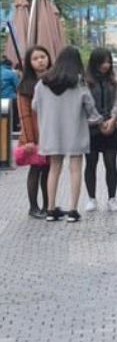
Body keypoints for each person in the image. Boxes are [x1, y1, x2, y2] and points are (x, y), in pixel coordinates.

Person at [34, 46, 105, 222]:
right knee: (75, 170)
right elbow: (90, 108)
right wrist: (99, 120)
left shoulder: (42, 83)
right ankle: (73, 211)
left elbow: (34, 106)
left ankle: (50, 210)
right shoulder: (79, 83)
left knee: (54, 169)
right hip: (74, 132)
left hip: (51, 133)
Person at [84, 48, 117, 212]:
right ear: (95, 62)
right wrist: (99, 122)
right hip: (91, 128)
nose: (106, 65)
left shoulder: (113, 82)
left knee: (111, 164)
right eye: (103, 62)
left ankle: (112, 198)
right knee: (90, 164)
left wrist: (114, 119)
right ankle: (91, 198)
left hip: (111, 127)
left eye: (109, 61)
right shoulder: (85, 82)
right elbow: (86, 104)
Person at [17, 45, 51, 219]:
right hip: (35, 136)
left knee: (48, 170)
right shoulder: (25, 86)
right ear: (30, 63)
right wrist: (30, 139)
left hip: (51, 134)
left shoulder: (54, 81)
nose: (40, 61)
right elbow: (25, 115)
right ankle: (33, 207)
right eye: (36, 58)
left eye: (43, 57)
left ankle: (47, 205)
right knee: (36, 169)